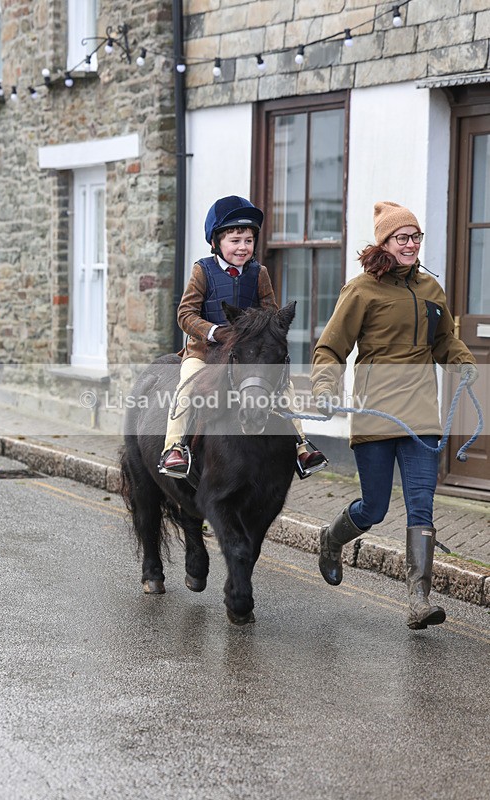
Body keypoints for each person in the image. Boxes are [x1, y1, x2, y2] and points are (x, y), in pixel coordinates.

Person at [310, 201, 478, 630]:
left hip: (421, 415)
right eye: (401, 237)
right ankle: (332, 538)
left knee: (422, 505)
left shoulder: (430, 290)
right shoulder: (362, 290)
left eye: (415, 237)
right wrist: (325, 387)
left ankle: (418, 600)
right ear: (383, 242)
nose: (410, 244)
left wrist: (464, 362)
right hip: (375, 414)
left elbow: (444, 343)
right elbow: (331, 348)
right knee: (375, 508)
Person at [159, 195, 328, 479]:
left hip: (247, 355)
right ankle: (174, 448)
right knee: (185, 389)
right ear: (216, 242)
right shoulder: (203, 270)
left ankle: (302, 446)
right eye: (235, 240)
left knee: (284, 388)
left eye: (248, 240)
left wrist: (265, 331)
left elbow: (271, 314)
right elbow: (185, 314)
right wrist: (214, 332)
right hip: (204, 352)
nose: (242, 247)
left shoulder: (259, 273)